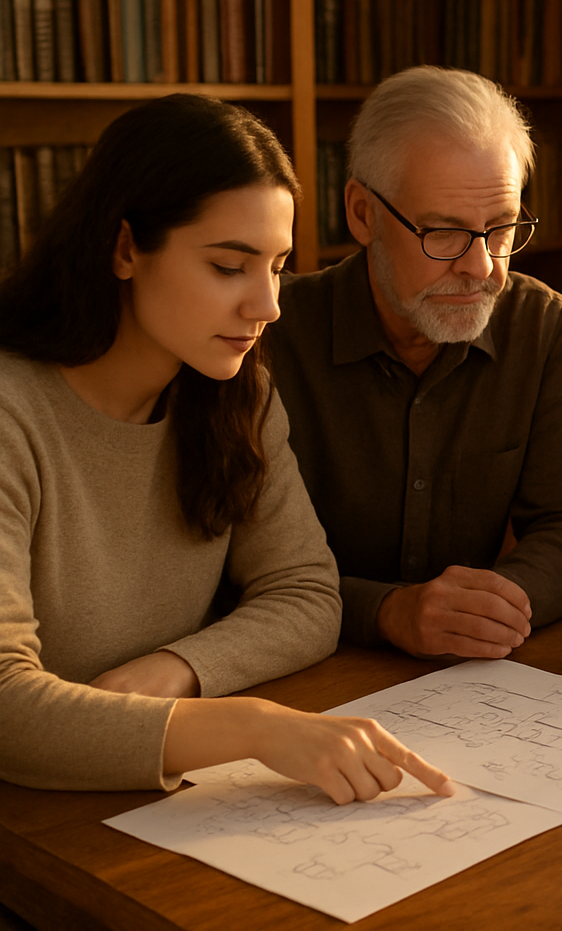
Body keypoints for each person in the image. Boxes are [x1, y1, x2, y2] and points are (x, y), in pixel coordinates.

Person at [0, 94, 448, 801]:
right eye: (228, 266)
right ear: (124, 249)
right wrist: (254, 729)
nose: (268, 305)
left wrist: (178, 669)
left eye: (276, 266)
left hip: (142, 807)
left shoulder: (239, 396)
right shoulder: (11, 415)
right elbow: (6, 709)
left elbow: (305, 594)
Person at [264, 67, 562, 660]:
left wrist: (487, 611)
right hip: (303, 669)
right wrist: (386, 611)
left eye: (501, 229)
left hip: (475, 684)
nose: (482, 267)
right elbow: (231, 569)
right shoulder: (269, 340)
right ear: (362, 214)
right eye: (445, 233)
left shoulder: (542, 327)